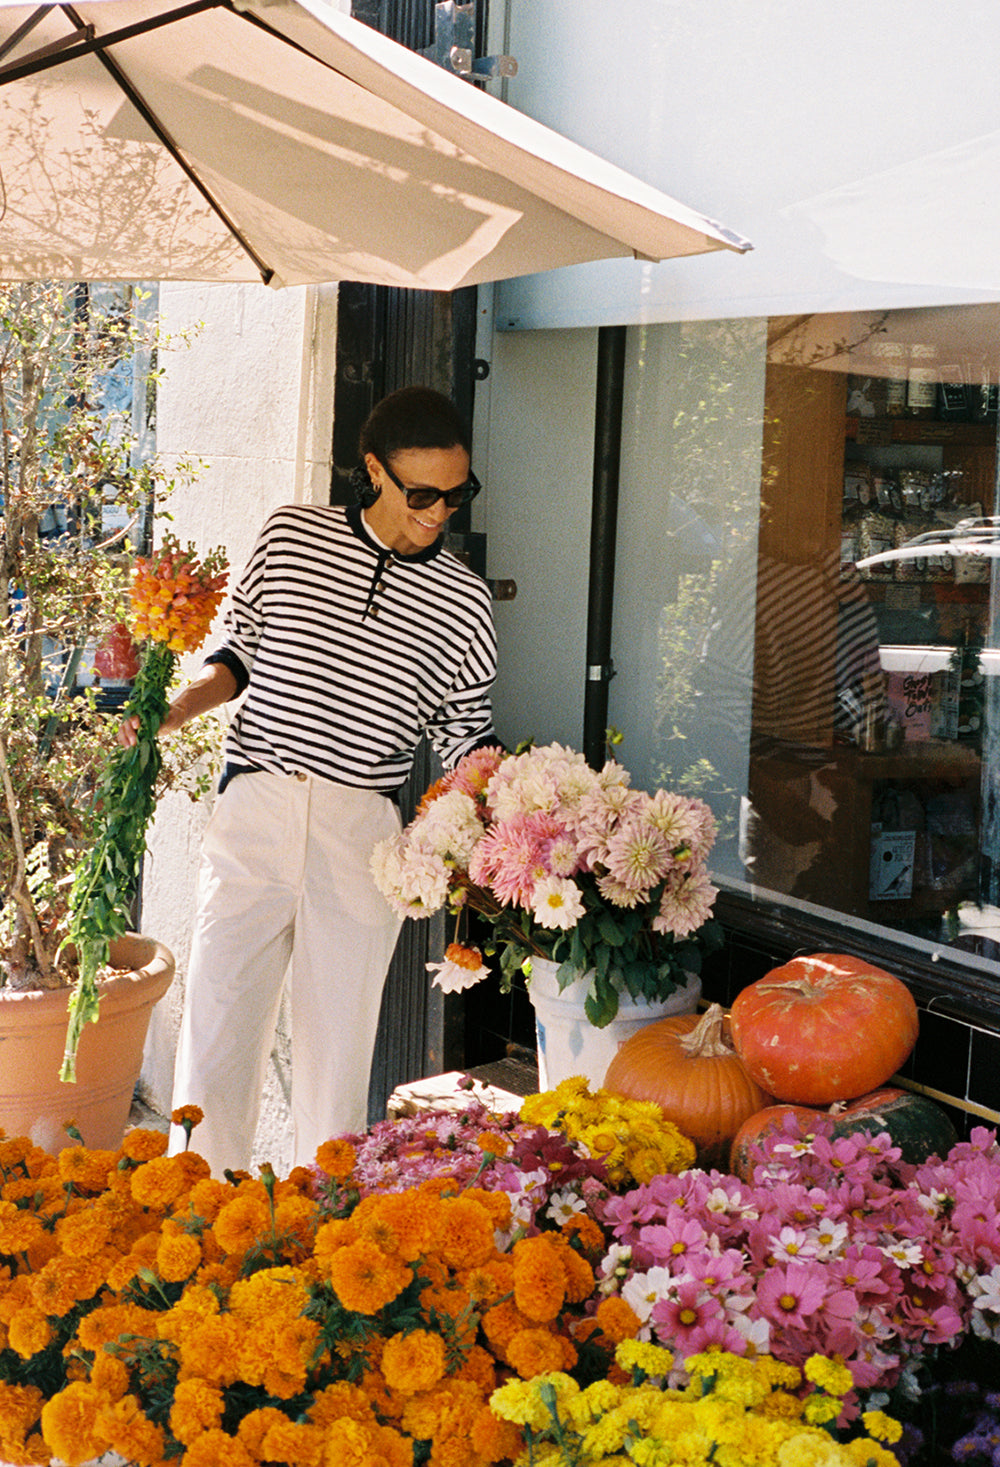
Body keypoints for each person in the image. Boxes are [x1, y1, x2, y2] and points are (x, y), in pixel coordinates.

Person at [121, 386, 498, 1174]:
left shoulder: (465, 600)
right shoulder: (293, 535)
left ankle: (313, 1228)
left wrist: (513, 831)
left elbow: (469, 743)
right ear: (374, 470)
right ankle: (196, 1217)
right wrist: (176, 707)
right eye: (422, 492)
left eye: (456, 495)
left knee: (337, 1049)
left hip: (363, 828)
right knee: (216, 1031)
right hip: (257, 803)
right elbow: (242, 653)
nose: (438, 511)